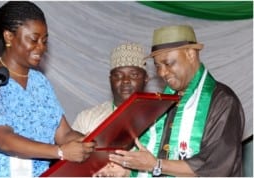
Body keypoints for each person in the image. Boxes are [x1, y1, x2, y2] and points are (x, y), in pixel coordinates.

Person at [0, 1, 95, 177]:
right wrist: (60, 152)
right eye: (34, 39)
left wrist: (90, 142)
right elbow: (3, 140)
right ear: (9, 36)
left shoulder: (41, 83)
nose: (41, 47)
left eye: (45, 41)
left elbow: (64, 134)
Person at [95, 25, 245, 177]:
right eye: (158, 66)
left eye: (167, 63)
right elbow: (159, 156)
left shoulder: (222, 101)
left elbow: (215, 166)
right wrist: (127, 170)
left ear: (191, 54)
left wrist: (156, 165)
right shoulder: (164, 103)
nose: (161, 73)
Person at [72, 42, 149, 134]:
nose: (125, 80)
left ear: (146, 79)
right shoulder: (87, 117)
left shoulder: (158, 117)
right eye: (118, 75)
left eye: (134, 75)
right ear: (110, 80)